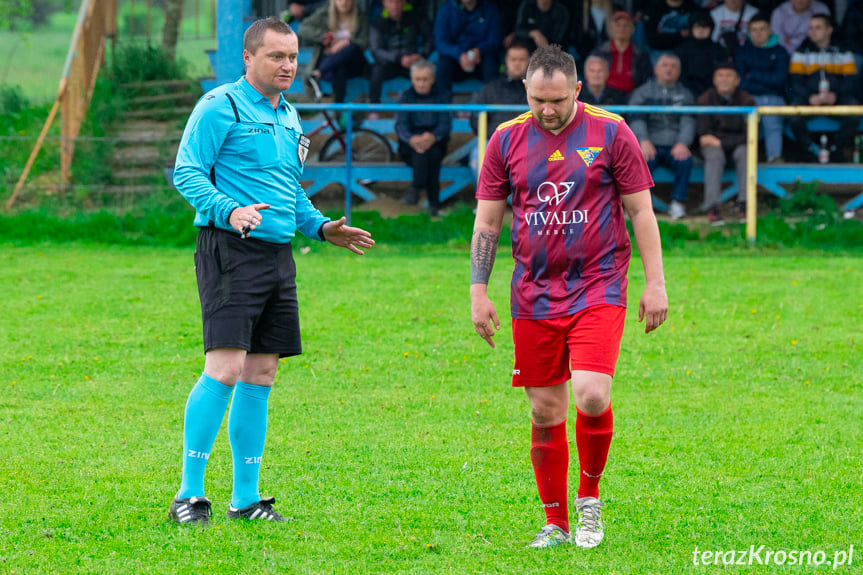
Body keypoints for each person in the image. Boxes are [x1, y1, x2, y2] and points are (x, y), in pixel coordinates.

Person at [169, 17, 375, 525]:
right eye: (276, 56)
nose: (288, 66)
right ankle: (188, 496)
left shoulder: (290, 118)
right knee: (225, 367)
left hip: (277, 257)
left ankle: (246, 499)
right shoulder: (221, 106)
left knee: (261, 372)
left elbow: (288, 191)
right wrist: (228, 209)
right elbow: (187, 171)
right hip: (229, 248)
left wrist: (321, 228)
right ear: (248, 57)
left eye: (293, 56)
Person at [470, 44, 668, 550]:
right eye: (538, 99)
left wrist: (655, 282)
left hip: (597, 285)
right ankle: (554, 522)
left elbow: (641, 212)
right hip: (532, 293)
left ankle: (589, 502)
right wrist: (478, 290)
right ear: (526, 91)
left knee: (592, 394)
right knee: (544, 411)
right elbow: (488, 221)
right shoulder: (505, 139)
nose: (548, 110)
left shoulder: (611, 131)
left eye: (558, 99)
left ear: (577, 90)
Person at [628, 53, 696, 220]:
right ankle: (641, 206)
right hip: (649, 144)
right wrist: (642, 140)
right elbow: (636, 118)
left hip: (675, 145)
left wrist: (683, 143)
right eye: (665, 65)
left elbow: (688, 121)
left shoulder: (685, 94)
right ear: (656, 69)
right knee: (637, 162)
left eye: (673, 66)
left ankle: (678, 204)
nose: (669, 69)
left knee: (685, 161)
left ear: (679, 72)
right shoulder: (642, 93)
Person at [788, 14, 861, 161]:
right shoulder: (801, 51)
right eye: (810, 28)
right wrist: (810, 97)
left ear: (829, 30)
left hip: (836, 98)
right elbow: (794, 82)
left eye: (818, 27)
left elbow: (851, 81)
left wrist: (835, 95)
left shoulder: (843, 51)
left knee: (855, 110)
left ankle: (837, 150)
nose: (813, 32)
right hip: (810, 99)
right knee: (791, 112)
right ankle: (808, 152)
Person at [696, 63, 756, 225]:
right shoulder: (704, 99)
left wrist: (721, 141)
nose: (724, 79)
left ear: (737, 80)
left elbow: (749, 134)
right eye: (720, 75)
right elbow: (703, 135)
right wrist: (717, 142)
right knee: (714, 153)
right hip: (714, 148)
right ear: (714, 80)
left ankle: (745, 205)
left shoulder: (747, 100)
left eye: (729, 75)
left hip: (734, 144)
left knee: (745, 152)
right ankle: (713, 207)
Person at [395, 59, 452, 216]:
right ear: (412, 79)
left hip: (436, 142)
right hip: (409, 145)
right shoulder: (405, 97)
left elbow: (445, 124)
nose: (421, 84)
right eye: (417, 79)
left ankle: (416, 188)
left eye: (425, 79)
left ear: (432, 79)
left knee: (431, 153)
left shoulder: (442, 95)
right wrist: (413, 140)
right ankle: (434, 206)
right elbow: (401, 125)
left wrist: (432, 137)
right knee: (426, 154)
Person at [469, 43, 530, 176]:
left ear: (529, 62)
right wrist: (498, 136)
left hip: (529, 143)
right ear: (506, 61)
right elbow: (475, 120)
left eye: (521, 60)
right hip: (494, 141)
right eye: (513, 59)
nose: (517, 63)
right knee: (477, 155)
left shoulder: (538, 90)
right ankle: (485, 197)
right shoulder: (490, 89)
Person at [736, 12, 789, 163]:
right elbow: (740, 82)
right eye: (754, 30)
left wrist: (752, 74)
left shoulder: (780, 51)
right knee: (741, 124)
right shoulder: (742, 51)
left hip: (774, 97)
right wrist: (765, 80)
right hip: (747, 96)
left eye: (762, 29)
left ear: (770, 30)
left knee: (772, 122)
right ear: (748, 32)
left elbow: (779, 81)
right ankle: (743, 161)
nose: (758, 33)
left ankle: (774, 158)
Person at [298, 0, 370, 104]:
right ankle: (338, 110)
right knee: (340, 68)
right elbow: (303, 28)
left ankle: (317, 73)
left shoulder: (359, 16)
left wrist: (345, 43)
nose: (344, 2)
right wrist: (324, 37)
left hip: (354, 65)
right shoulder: (324, 13)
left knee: (353, 47)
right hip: (333, 67)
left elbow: (364, 42)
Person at [368, 0, 434, 108]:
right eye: (391, 2)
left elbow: (430, 38)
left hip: (413, 62)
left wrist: (422, 55)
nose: (395, 6)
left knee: (427, 71)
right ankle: (373, 108)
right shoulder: (378, 22)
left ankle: (428, 106)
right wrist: (398, 58)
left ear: (404, 3)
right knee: (376, 70)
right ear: (384, 3)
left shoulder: (415, 17)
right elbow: (375, 50)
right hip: (389, 63)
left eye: (398, 2)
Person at [433, 0, 502, 100]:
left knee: (491, 61)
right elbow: (440, 43)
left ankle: (493, 108)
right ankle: (443, 110)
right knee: (443, 63)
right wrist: (459, 55)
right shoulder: (446, 10)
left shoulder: (490, 9)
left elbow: (495, 39)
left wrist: (479, 50)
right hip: (455, 62)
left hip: (481, 60)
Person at [591, 11, 653, 97]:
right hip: (605, 96)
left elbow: (646, 79)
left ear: (632, 29)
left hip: (633, 96)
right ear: (611, 29)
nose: (622, 29)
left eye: (626, 25)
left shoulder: (641, 54)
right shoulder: (599, 52)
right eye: (618, 25)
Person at [676, 11, 732, 97]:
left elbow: (721, 73)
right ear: (691, 29)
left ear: (711, 29)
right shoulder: (682, 49)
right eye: (697, 27)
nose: (701, 30)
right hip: (686, 92)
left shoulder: (719, 50)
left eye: (705, 27)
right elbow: (680, 75)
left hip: (713, 93)